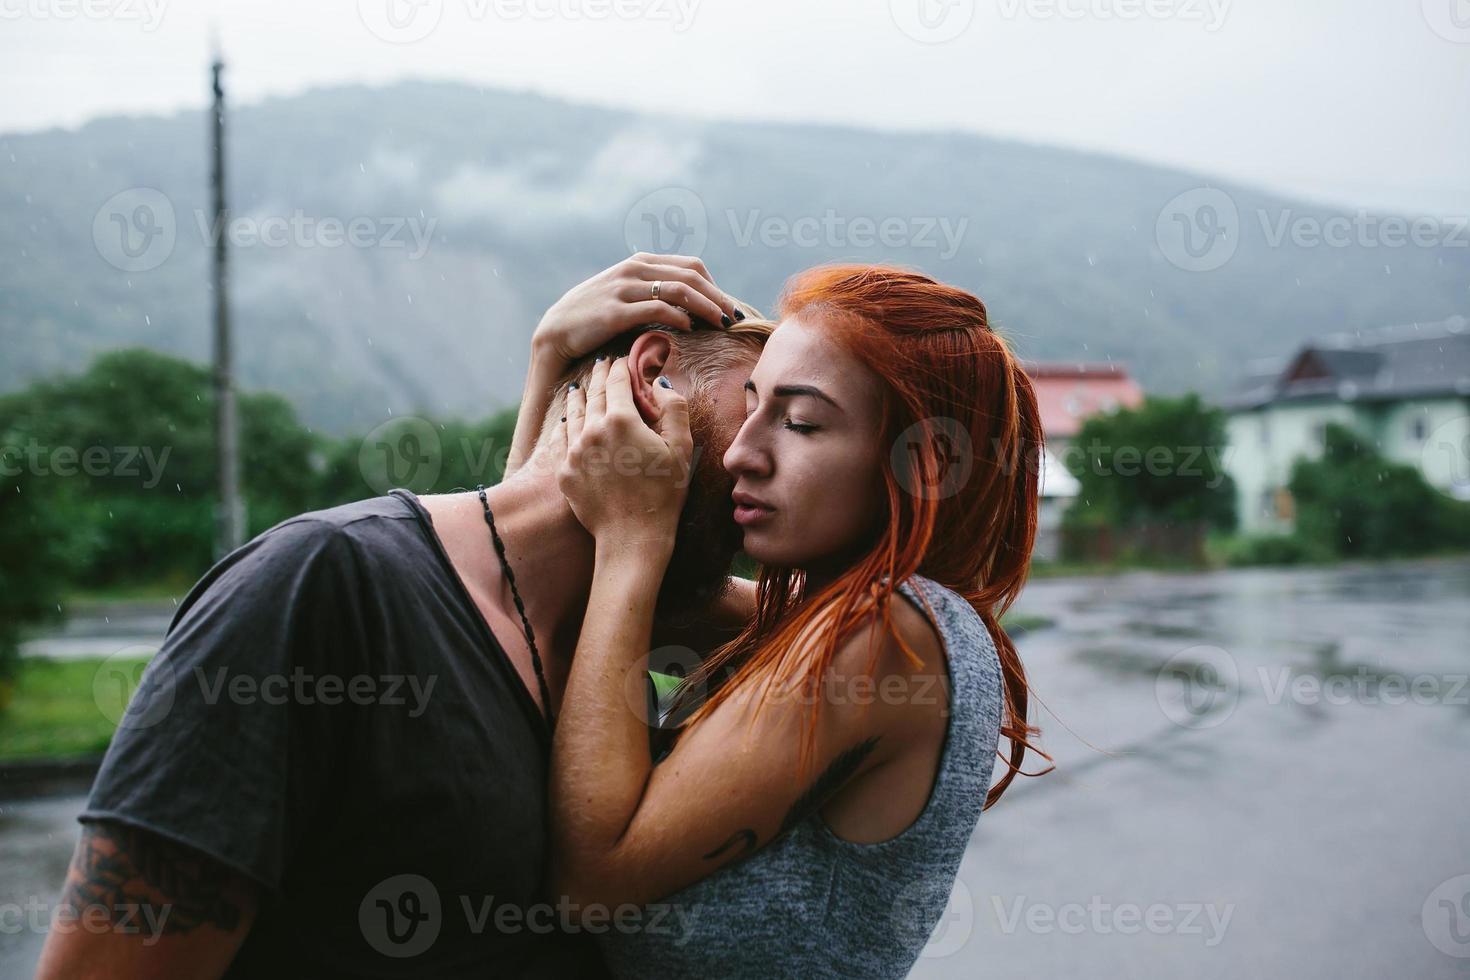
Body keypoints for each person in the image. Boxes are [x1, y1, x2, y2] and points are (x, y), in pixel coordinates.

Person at [34, 254, 770, 979]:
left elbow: (854, 612)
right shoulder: (321, 583)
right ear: (651, 377)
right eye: (766, 409)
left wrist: (552, 365)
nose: (783, 461)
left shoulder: (612, 644)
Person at [546, 264, 1052, 979]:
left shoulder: (889, 632)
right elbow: (545, 602)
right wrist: (548, 365)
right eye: (751, 407)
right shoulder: (811, 622)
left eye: (801, 422)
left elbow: (592, 882)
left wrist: (634, 539)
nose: (739, 452)